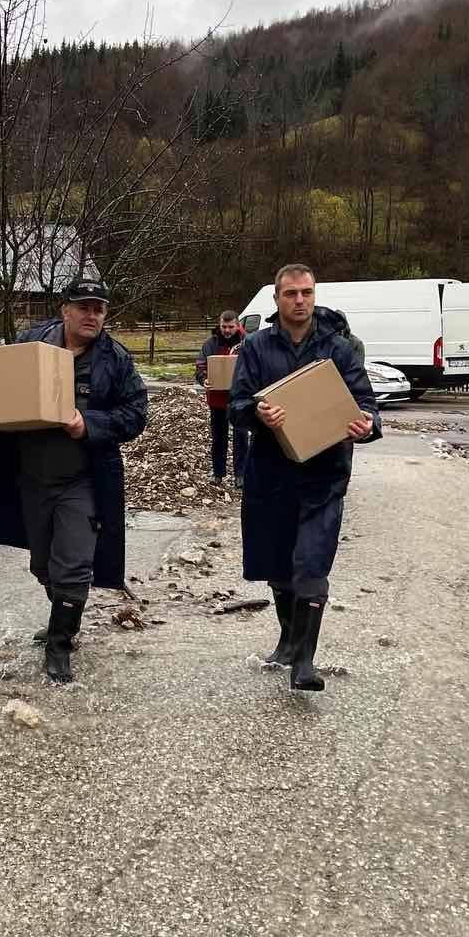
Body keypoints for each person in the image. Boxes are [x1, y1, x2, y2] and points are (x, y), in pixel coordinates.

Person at [0, 278, 148, 683]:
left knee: (73, 564)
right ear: (66, 311)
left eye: (100, 309)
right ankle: (65, 613)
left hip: (84, 479)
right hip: (30, 475)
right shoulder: (32, 343)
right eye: (85, 307)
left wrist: (87, 424)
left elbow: (135, 415)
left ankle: (60, 646)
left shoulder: (116, 360)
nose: (93, 315)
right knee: (43, 565)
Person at [229, 264, 381, 692]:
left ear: (315, 296)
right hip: (271, 473)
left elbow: (365, 403)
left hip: (325, 475)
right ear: (277, 300)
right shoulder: (256, 348)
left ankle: (305, 662)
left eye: (307, 293)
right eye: (291, 294)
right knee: (278, 565)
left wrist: (366, 424)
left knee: (310, 563)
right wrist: (258, 413)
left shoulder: (339, 349)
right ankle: (288, 638)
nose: (300, 301)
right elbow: (237, 405)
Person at [195, 310, 250, 488]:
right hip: (217, 399)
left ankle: (240, 474)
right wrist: (204, 379)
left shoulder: (247, 343)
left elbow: (254, 365)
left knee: (241, 436)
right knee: (218, 437)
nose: (227, 330)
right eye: (224, 326)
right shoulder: (211, 344)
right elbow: (201, 365)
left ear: (238, 325)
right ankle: (218, 473)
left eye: (230, 327)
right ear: (219, 324)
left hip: (240, 398)